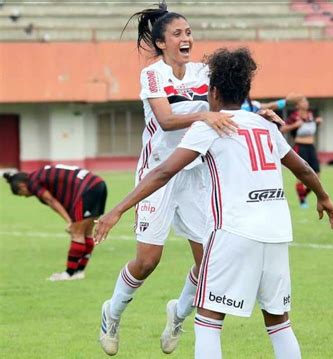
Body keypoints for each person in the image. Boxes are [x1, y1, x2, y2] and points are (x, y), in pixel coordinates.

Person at [94, 47, 333, 359]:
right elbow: (302, 168)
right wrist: (324, 196)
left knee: (208, 322)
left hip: (234, 232)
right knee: (279, 323)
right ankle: (128, 313)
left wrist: (116, 209)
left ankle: (177, 314)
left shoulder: (210, 126)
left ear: (212, 92)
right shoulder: (265, 126)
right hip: (278, 233)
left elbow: (166, 170)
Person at [98, 2, 237, 356]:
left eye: (188, 32)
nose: (185, 38)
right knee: (147, 261)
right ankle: (111, 313)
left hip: (194, 172)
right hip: (157, 173)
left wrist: (260, 111)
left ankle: (177, 315)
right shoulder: (153, 75)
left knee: (208, 262)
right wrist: (207, 115)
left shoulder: (204, 72)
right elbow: (165, 120)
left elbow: (230, 107)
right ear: (161, 43)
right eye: (177, 34)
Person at [3, 164, 107, 281]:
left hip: (88, 189)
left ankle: (68, 274)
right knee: (86, 233)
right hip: (99, 184)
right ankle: (79, 272)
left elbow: (50, 200)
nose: (26, 197)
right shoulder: (38, 175)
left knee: (76, 233)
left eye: (22, 194)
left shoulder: (32, 183)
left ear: (22, 186)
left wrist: (69, 221)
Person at [280, 97, 323, 208]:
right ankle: (302, 200)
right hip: (300, 146)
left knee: (317, 175)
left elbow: (310, 128)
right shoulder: (294, 116)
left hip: (311, 146)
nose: (306, 103)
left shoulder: (310, 115)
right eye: (303, 101)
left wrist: (318, 123)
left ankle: (303, 195)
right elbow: (283, 129)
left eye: (307, 101)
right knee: (301, 175)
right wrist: (295, 125)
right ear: (297, 105)